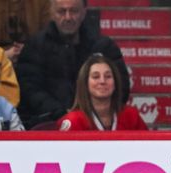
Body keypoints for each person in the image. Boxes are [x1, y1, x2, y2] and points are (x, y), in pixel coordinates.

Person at [15, 0, 130, 128]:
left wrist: (89, 114)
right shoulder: (34, 47)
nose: (68, 17)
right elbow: (29, 90)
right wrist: (62, 114)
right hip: (47, 127)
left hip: (96, 126)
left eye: (74, 11)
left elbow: (121, 87)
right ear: (52, 12)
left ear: (84, 12)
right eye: (61, 11)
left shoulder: (104, 46)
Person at [57, 54, 147, 131]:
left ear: (115, 82)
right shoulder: (73, 120)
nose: (102, 81)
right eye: (96, 77)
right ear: (85, 83)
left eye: (108, 76)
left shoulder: (131, 116)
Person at [0, 0, 51, 64]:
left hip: (35, 60)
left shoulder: (42, 3)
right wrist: (3, 55)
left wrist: (28, 51)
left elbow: (50, 39)